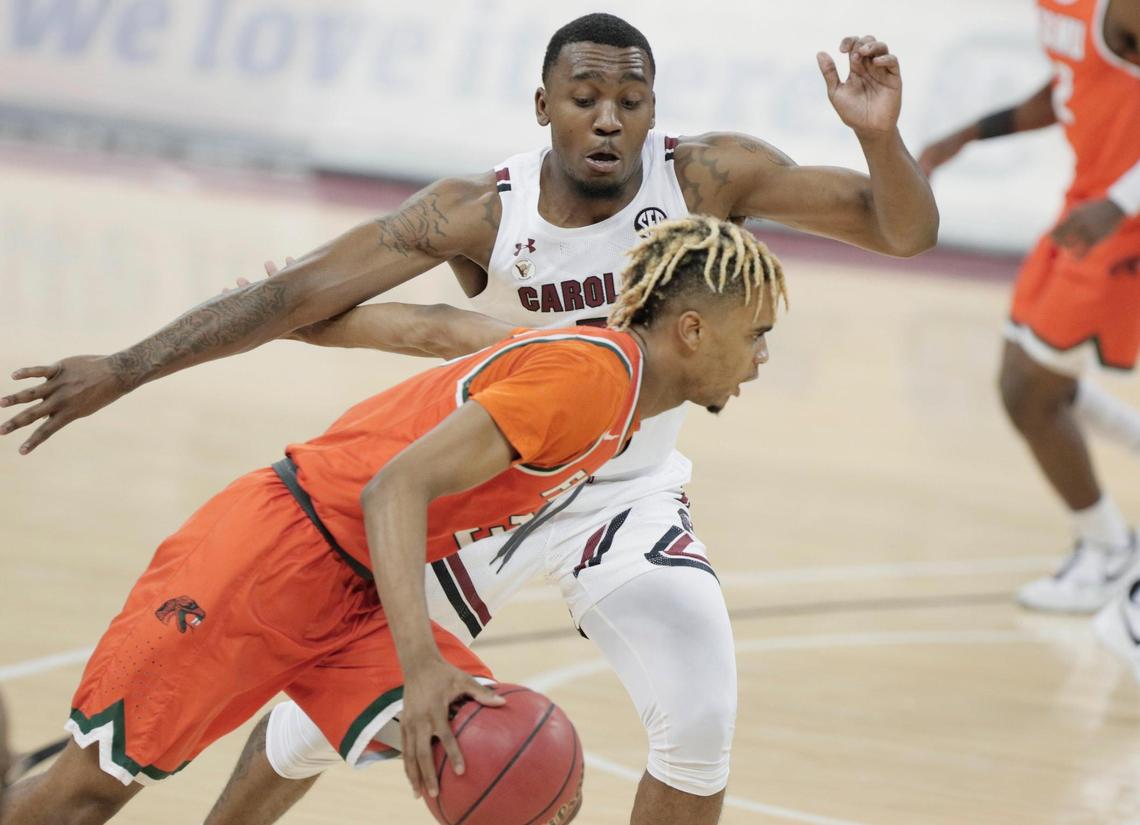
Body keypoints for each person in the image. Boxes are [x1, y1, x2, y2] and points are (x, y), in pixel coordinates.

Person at [0, 14, 936, 825]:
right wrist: (127, 368)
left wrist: (882, 140)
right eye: (584, 98)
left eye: (631, 100)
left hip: (623, 487)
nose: (609, 118)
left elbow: (902, 231)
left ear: (655, 111)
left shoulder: (703, 177)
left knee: (699, 717)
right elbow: (298, 295)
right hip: (479, 486)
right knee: (315, 724)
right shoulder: (479, 213)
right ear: (543, 107)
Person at [0, 216, 786, 825]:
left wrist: (317, 322)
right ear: (692, 330)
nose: (758, 360)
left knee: (496, 755)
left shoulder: (597, 367)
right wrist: (420, 664)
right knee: (85, 796)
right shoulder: (590, 383)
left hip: (356, 592)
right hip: (270, 554)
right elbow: (392, 489)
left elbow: (441, 331)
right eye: (755, 336)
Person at [919, 0, 1140, 615]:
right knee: (1032, 374)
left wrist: (1120, 204)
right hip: (1091, 204)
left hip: (1123, 222)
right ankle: (1110, 546)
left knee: (1028, 388)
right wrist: (963, 136)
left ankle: (1110, 554)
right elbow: (1071, 88)